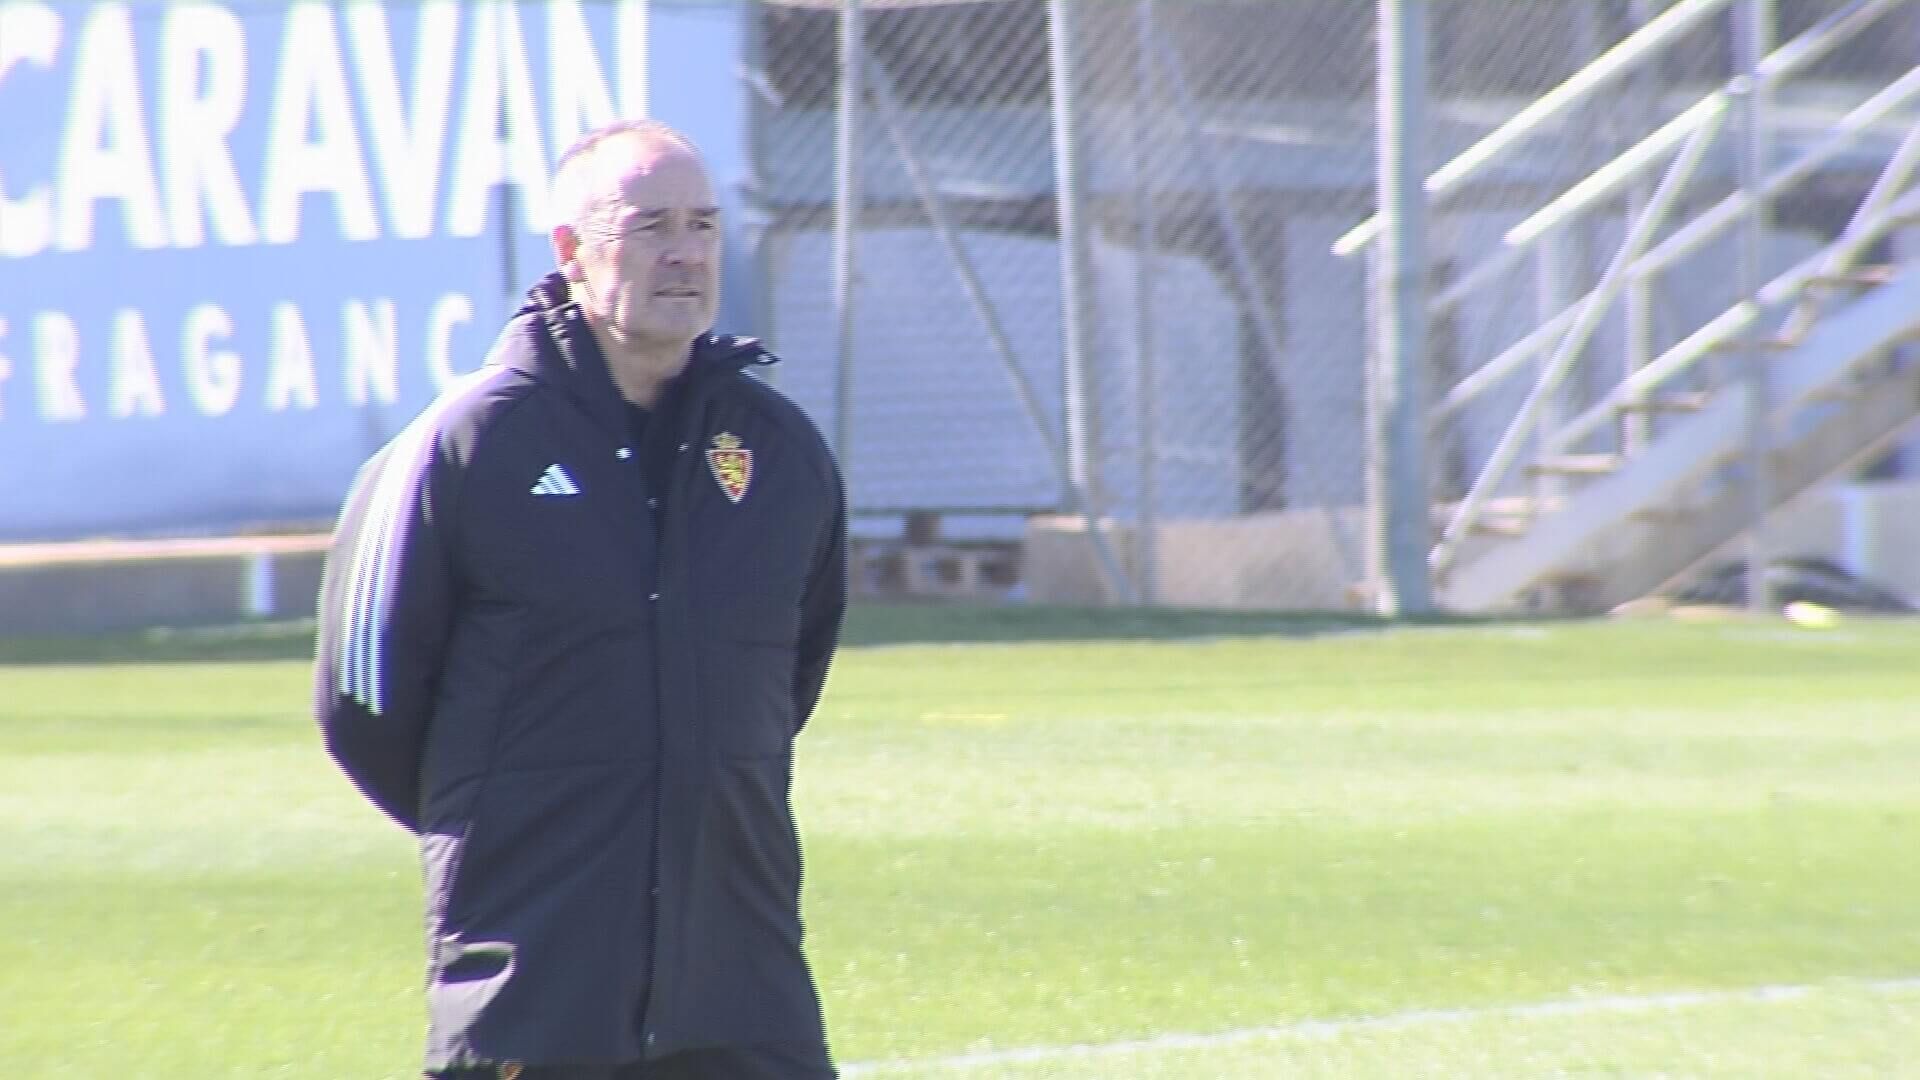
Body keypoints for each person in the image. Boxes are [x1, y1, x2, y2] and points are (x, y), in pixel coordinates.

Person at [314, 119, 848, 1080]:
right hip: (535, 979)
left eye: (703, 225)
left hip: (742, 980)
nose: (685, 253)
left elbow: (791, 674)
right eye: (649, 227)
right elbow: (363, 704)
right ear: (570, 250)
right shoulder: (466, 446)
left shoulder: (779, 452)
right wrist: (510, 816)